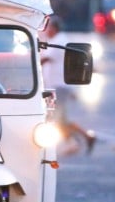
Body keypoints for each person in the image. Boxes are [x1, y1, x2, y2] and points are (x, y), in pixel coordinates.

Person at [40, 17, 96, 153]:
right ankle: (85, 137)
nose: (46, 31)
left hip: (59, 85)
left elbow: (44, 59)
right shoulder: (55, 40)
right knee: (62, 118)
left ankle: (72, 143)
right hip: (56, 85)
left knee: (56, 117)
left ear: (54, 28)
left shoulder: (60, 40)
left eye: (47, 28)